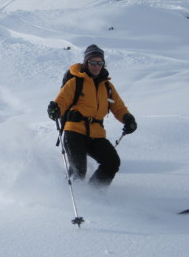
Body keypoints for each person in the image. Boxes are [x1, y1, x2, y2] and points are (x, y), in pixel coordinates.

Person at [47, 44, 137, 188]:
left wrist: (128, 119)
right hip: (74, 132)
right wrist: (55, 109)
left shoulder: (107, 86)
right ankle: (66, 198)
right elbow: (62, 101)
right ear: (86, 62)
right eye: (93, 62)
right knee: (78, 171)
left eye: (100, 62)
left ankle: (94, 195)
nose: (96, 66)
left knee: (112, 163)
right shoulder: (76, 82)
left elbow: (118, 107)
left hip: (96, 135)